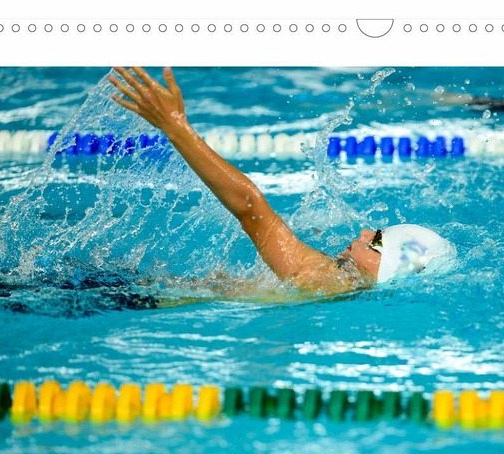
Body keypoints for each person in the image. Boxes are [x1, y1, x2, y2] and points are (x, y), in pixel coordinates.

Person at [109, 67, 455, 296]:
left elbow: (250, 208)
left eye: (377, 242)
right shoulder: (339, 284)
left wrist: (175, 126)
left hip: (130, 300)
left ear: (388, 268)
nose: (365, 233)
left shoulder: (327, 283)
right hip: (140, 294)